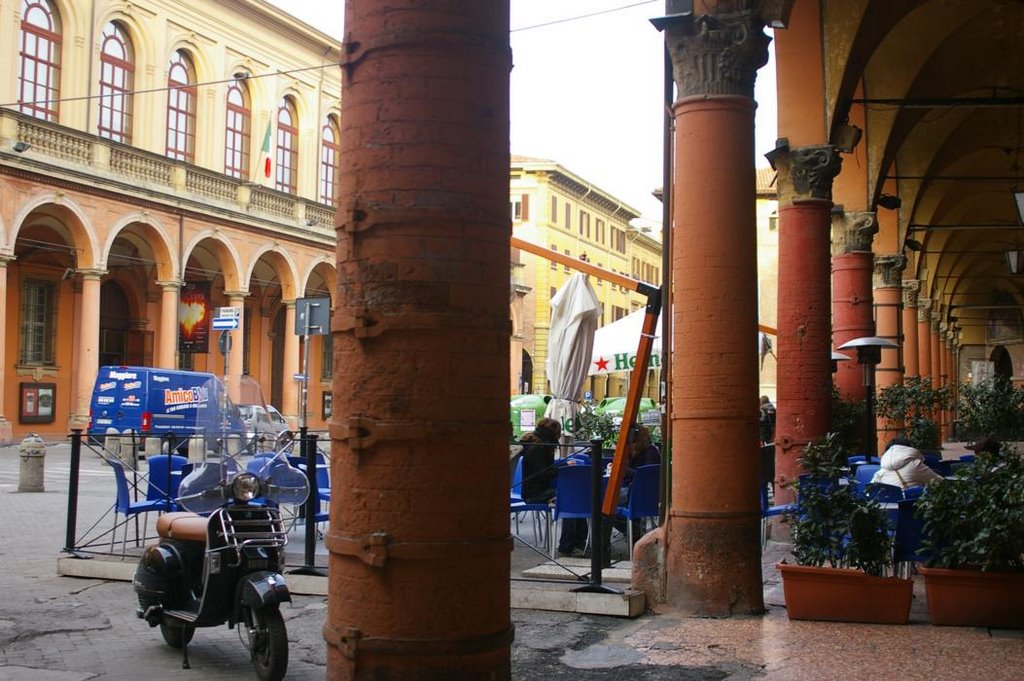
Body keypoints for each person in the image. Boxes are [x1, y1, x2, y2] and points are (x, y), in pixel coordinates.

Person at [871, 437, 943, 489]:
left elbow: (870, 490)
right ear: (908, 449)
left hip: (887, 506)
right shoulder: (915, 465)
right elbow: (939, 482)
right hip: (908, 504)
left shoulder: (882, 469)